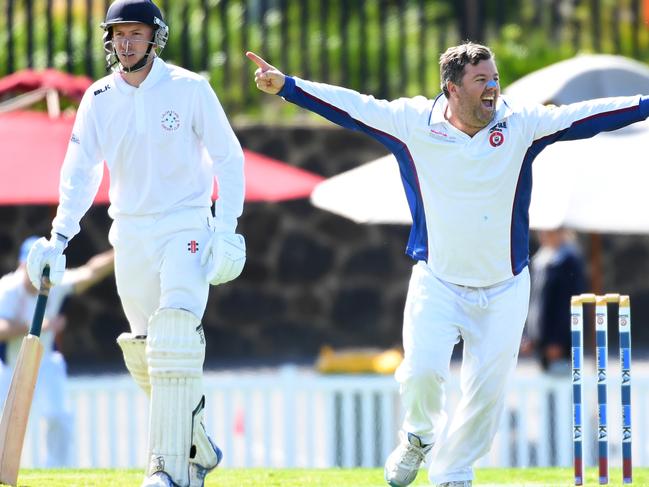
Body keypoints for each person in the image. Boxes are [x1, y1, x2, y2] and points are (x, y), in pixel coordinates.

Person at [246, 43, 649, 487]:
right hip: (438, 282)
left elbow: (587, 115)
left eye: (494, 78)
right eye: (482, 80)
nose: (493, 88)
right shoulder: (413, 122)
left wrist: (646, 104)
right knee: (421, 374)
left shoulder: (521, 124)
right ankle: (417, 437)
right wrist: (288, 87)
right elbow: (350, 106)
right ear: (452, 88)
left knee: (486, 396)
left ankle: (454, 472)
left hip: (505, 287)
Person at [25, 1, 246, 486]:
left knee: (175, 335)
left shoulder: (190, 88)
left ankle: (165, 470)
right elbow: (81, 174)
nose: (125, 43)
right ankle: (199, 442)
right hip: (130, 231)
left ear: (155, 37)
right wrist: (59, 235)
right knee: (145, 351)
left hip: (186, 224)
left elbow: (229, 158)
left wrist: (226, 227)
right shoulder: (99, 97)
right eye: (118, 34)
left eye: (135, 33)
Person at [0, 237, 114, 467]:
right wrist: (37, 326)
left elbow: (89, 272)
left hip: (45, 363)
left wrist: (121, 248)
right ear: (24, 265)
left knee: (59, 416)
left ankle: (57, 471)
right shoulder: (7, 289)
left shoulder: (55, 281)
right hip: (9, 366)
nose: (37, 277)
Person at [524, 228, 587, 374]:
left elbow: (568, 304)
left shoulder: (569, 261)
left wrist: (558, 340)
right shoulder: (540, 260)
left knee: (563, 388)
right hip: (541, 341)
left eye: (550, 231)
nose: (544, 235)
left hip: (560, 343)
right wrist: (529, 334)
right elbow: (535, 302)